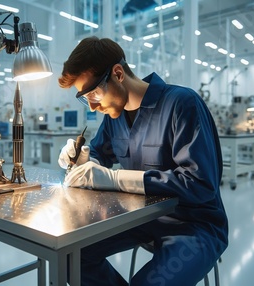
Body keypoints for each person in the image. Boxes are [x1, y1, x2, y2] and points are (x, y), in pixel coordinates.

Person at [57, 36, 228, 286]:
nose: (93, 107)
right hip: (141, 219)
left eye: (93, 93)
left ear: (117, 74)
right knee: (71, 258)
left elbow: (200, 184)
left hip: (194, 226)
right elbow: (98, 153)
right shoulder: (115, 116)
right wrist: (84, 159)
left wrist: (115, 178)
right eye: (85, 98)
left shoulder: (181, 103)